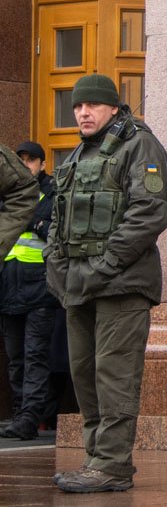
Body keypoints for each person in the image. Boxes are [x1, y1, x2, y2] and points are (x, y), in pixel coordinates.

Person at [46, 74, 167, 493]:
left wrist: (105, 265)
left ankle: (113, 463)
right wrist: (55, 264)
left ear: (113, 108)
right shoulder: (79, 153)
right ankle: (96, 458)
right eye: (78, 107)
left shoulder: (140, 146)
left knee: (114, 376)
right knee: (85, 376)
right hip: (78, 284)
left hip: (121, 284)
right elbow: (57, 218)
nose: (82, 112)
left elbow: (149, 213)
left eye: (92, 106)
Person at [0, 142, 56, 440]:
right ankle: (21, 411)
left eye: (31, 160)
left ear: (42, 165)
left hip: (40, 288)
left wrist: (35, 221)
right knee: (15, 357)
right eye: (20, 160)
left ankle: (30, 417)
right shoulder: (7, 195)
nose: (25, 165)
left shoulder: (51, 193)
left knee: (35, 355)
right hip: (9, 287)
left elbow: (55, 230)